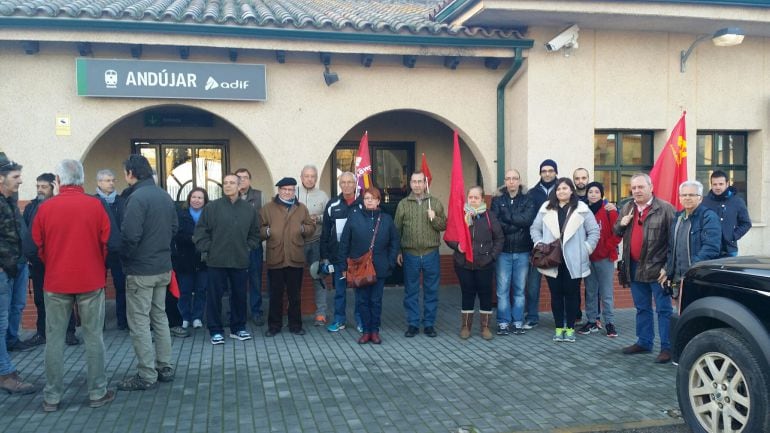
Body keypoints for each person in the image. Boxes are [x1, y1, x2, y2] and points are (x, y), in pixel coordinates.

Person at [32, 159, 115, 411]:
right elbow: (106, 242)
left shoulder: (45, 208)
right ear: (82, 178)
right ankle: (97, 392)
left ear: (58, 181)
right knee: (94, 338)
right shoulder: (96, 206)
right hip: (90, 280)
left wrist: (53, 263)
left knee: (54, 339)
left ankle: (52, 397)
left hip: (56, 281)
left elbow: (37, 245)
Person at [118, 154, 178, 390]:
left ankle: (146, 374)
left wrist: (125, 258)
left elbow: (130, 236)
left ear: (131, 173)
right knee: (160, 317)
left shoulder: (137, 198)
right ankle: (165, 366)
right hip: (163, 267)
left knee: (140, 322)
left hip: (141, 270)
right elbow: (174, 227)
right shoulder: (163, 195)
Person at [614, 173, 675, 364]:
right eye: (634, 188)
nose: (637, 191)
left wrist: (668, 267)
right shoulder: (627, 207)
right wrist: (621, 224)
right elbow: (616, 231)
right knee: (642, 308)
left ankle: (668, 347)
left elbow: (675, 242)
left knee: (664, 310)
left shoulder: (665, 209)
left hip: (658, 270)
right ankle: (644, 342)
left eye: (641, 187)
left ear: (651, 187)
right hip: (634, 267)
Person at [531, 178, 599, 343]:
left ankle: (570, 328)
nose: (561, 191)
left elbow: (594, 231)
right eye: (559, 189)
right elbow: (535, 228)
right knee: (556, 295)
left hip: (574, 259)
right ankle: (558, 328)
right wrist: (540, 244)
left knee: (571, 294)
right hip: (551, 259)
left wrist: (586, 249)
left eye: (565, 188)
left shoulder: (582, 209)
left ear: (571, 191)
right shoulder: (546, 208)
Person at [194, 174, 260, 345]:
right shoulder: (212, 207)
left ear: (240, 186)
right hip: (216, 261)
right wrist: (209, 247)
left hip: (239, 260)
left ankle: (238, 328)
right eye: (225, 183)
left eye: (232, 183)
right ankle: (215, 330)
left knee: (239, 296)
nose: (228, 186)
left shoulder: (248, 209)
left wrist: (248, 247)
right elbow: (201, 231)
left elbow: (255, 234)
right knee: (214, 297)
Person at [21, 173, 78, 347]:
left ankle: (69, 333)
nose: (40, 190)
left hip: (59, 260)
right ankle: (42, 333)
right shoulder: (31, 208)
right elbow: (26, 236)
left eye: (44, 187)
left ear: (53, 187)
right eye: (38, 186)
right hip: (38, 262)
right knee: (40, 298)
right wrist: (30, 256)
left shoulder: (61, 205)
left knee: (66, 297)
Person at [339, 187, 399, 344]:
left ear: (378, 201)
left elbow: (394, 241)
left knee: (376, 301)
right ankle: (366, 331)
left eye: (373, 198)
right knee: (362, 301)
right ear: (363, 201)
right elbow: (345, 243)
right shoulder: (354, 217)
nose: (370, 201)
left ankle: (375, 331)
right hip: (359, 268)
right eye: (366, 198)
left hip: (379, 268)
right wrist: (343, 267)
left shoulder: (386, 219)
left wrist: (390, 261)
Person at [446, 186, 503, 340]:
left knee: (485, 295)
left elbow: (499, 239)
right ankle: (465, 327)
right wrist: (456, 246)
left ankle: (485, 328)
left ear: (482, 199)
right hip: (463, 264)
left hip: (484, 263)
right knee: (467, 294)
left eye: (476, 197)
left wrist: (491, 257)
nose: (473, 200)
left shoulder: (490, 217)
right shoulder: (460, 216)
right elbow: (449, 236)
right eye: (470, 197)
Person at [0, 155, 37, 394]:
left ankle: (7, 363)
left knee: (11, 314)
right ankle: (5, 373)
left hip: (16, 266)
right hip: (4, 269)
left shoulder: (9, 200)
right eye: (15, 177)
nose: (20, 181)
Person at [261, 177, 315, 337]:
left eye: (291, 189)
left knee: (295, 295)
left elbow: (311, 227)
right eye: (284, 189)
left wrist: (302, 228)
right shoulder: (268, 208)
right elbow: (259, 229)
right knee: (275, 295)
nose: (287, 192)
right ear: (279, 190)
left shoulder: (301, 208)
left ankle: (295, 326)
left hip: (295, 257)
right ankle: (274, 326)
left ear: (294, 191)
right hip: (275, 257)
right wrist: (268, 232)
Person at [395, 171, 447, 338]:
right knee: (411, 291)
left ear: (425, 184)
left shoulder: (435, 203)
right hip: (410, 254)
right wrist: (397, 251)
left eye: (420, 182)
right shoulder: (403, 204)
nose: (417, 185)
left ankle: (429, 324)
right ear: (410, 184)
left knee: (431, 290)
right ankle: (413, 324)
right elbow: (396, 230)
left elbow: (444, 226)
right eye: (414, 181)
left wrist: (435, 219)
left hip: (431, 253)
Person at [491, 169, 536, 336]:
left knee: (519, 289)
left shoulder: (527, 200)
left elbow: (527, 220)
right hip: (503, 252)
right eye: (508, 179)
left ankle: (517, 322)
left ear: (519, 181)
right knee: (502, 289)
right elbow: (495, 223)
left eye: (514, 178)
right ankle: (503, 322)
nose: (511, 182)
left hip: (523, 251)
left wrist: (508, 218)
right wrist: (517, 223)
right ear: (505, 181)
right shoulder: (497, 201)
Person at [660, 180, 721, 294]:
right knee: (683, 311)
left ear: (700, 198)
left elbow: (711, 248)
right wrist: (668, 271)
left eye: (692, 195)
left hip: (698, 277)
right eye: (684, 195)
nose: (687, 198)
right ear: (679, 198)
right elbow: (671, 249)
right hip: (678, 279)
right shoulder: (678, 218)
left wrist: (692, 269)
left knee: (699, 310)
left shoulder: (708, 217)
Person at [578, 182, 621, 337]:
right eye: (591, 191)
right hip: (588, 257)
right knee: (590, 291)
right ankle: (591, 320)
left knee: (606, 291)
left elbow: (618, 233)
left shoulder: (609, 211)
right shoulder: (582, 211)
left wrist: (607, 246)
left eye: (597, 191)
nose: (593, 194)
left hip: (605, 257)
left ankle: (609, 322)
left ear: (601, 194)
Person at [321, 172, 363, 333]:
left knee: (360, 292)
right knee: (339, 292)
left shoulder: (362, 204)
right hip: (338, 258)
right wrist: (324, 256)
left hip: (358, 258)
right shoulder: (333, 204)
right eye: (343, 182)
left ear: (355, 184)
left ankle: (361, 321)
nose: (346, 185)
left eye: (349, 182)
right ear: (340, 185)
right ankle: (339, 320)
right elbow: (325, 232)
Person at [524, 159, 559, 330]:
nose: (547, 173)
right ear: (540, 173)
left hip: (558, 248)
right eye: (544, 170)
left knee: (558, 287)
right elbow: (530, 220)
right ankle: (532, 317)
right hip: (537, 247)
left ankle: (560, 319)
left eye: (550, 170)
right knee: (532, 285)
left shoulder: (562, 190)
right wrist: (536, 242)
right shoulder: (532, 193)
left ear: (555, 172)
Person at [94, 169, 128, 331]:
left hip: (118, 251)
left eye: (113, 180)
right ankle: (99, 323)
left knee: (121, 286)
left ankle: (123, 321)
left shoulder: (122, 201)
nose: (111, 183)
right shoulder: (93, 202)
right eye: (107, 180)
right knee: (96, 288)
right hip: (98, 251)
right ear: (99, 183)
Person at [297, 165, 330, 326]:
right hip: (297, 244)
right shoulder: (293, 193)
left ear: (316, 178)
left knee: (319, 278)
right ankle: (294, 313)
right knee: (294, 279)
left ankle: (321, 314)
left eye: (313, 176)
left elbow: (329, 217)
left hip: (316, 242)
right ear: (301, 177)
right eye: (307, 176)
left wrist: (319, 217)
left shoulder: (323, 195)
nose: (310, 179)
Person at [173, 188, 208, 332]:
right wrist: (191, 239)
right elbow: (176, 234)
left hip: (203, 259)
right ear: (189, 199)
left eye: (200, 198)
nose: (196, 200)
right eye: (194, 197)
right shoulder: (180, 214)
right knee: (185, 291)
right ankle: (185, 317)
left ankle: (197, 317)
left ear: (204, 200)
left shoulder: (209, 215)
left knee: (201, 290)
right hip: (185, 259)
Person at [234, 168, 266, 327]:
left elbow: (263, 220)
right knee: (235, 280)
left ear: (250, 180)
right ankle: (236, 312)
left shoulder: (259, 196)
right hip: (234, 246)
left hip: (253, 245)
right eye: (238, 178)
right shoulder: (230, 196)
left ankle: (256, 312)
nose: (242, 180)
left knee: (255, 280)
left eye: (245, 178)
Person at [701, 170, 752, 257]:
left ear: (727, 184)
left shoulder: (737, 201)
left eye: (721, 184)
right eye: (715, 184)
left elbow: (746, 223)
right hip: (707, 250)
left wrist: (732, 236)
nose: (717, 187)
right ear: (711, 185)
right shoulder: (703, 202)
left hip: (729, 250)